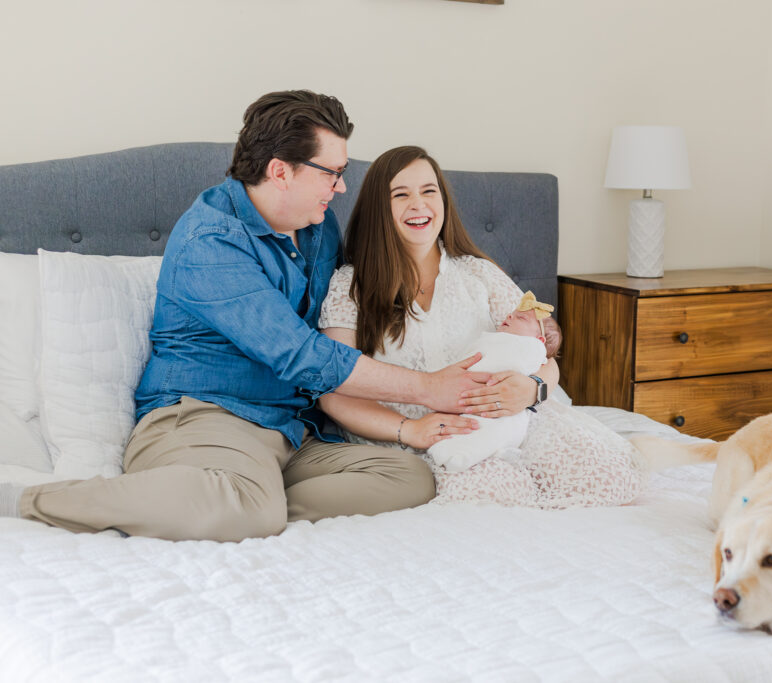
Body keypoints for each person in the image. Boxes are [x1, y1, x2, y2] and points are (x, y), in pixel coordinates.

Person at [0, 91, 492, 542]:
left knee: (408, 476)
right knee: (251, 511)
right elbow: (301, 354)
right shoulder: (210, 241)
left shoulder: (317, 226)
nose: (341, 188)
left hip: (290, 429)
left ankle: (248, 500)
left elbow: (356, 303)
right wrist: (427, 388)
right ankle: (31, 499)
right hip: (205, 420)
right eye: (331, 172)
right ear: (281, 172)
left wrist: (529, 333)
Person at [318, 145, 646, 509]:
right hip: (419, 435)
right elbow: (334, 390)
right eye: (401, 195)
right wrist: (410, 430)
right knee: (492, 500)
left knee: (608, 476)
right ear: (379, 209)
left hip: (512, 418)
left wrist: (532, 388)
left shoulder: (479, 274)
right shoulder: (349, 287)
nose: (419, 204)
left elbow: (541, 354)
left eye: (429, 191)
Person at [426, 291, 563, 473]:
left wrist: (533, 388)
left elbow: (544, 362)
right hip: (462, 399)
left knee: (496, 426)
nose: (509, 316)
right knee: (473, 425)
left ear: (539, 341)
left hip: (507, 406)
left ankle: (464, 455)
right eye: (512, 314)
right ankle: (462, 452)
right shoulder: (494, 340)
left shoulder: (531, 350)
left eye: (519, 318)